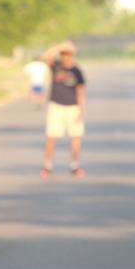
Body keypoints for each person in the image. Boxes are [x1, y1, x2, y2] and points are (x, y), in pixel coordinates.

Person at [41, 41, 87, 178]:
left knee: (75, 138)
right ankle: (47, 166)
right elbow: (45, 56)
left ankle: (75, 166)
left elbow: (81, 91)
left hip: (72, 107)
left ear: (72, 55)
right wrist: (60, 47)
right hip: (56, 106)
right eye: (63, 54)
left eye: (68, 54)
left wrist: (81, 110)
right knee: (51, 137)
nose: (65, 57)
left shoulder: (77, 71)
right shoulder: (56, 66)